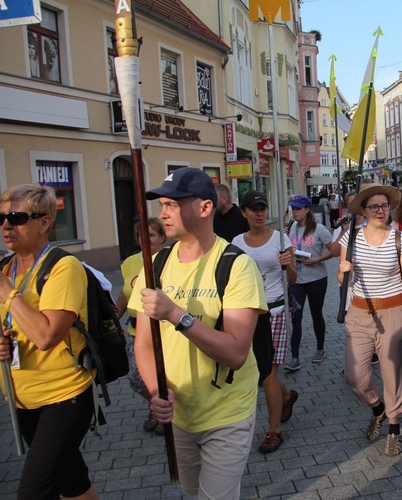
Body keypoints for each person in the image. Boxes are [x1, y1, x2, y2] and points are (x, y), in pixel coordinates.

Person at [130, 168, 266, 499]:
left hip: (226, 411)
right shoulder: (154, 265)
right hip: (178, 412)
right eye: (161, 204)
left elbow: (235, 353)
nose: (162, 214)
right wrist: (155, 392)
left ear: (204, 208)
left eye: (172, 205)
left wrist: (176, 314)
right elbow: (144, 344)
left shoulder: (236, 265)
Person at [0, 184, 99, 500]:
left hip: (63, 396)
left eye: (16, 217)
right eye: (0, 217)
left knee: (33, 493)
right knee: (73, 483)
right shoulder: (4, 267)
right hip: (21, 397)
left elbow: (45, 336)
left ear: (44, 222)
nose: (6, 226)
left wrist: (5, 291)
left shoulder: (62, 267)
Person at [337, 183, 402, 456]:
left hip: (394, 312)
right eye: (374, 206)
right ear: (363, 210)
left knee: (392, 374)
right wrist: (342, 270)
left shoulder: (401, 239)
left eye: (385, 206)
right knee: (355, 376)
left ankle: (394, 428)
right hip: (359, 312)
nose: (380, 211)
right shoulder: (350, 238)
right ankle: (378, 408)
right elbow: (342, 279)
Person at [233, 190, 299, 453]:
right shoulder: (237, 242)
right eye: (253, 209)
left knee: (267, 375)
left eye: (262, 208)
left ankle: (274, 431)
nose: (259, 213)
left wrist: (288, 264)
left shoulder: (281, 240)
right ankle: (286, 396)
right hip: (250, 313)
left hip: (277, 310)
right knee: (262, 372)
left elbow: (293, 279)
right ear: (244, 213)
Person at [114, 217, 167, 434]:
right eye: (141, 235)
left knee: (166, 376)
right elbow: (125, 294)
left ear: (162, 237)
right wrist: (113, 319)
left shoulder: (169, 261)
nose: (146, 239)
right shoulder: (129, 263)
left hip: (164, 330)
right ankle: (157, 405)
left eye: (152, 235)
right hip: (136, 331)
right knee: (136, 378)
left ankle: (166, 413)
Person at [284, 195, 334, 371]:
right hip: (297, 279)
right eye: (293, 208)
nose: (295, 212)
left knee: (316, 314)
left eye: (298, 208)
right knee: (296, 316)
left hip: (317, 279)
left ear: (307, 210)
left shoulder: (320, 229)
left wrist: (317, 259)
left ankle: (320, 349)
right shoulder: (290, 229)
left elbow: (334, 251)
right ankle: (295, 357)